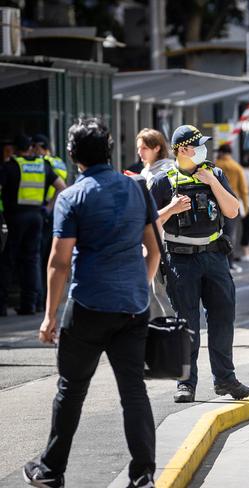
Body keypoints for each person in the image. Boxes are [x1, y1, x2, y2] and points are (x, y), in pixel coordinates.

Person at [23, 118, 160, 488]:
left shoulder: (71, 197)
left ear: (72, 155)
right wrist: (139, 285)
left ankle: (51, 471)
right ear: (110, 150)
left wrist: (49, 316)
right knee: (134, 391)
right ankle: (143, 474)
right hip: (132, 307)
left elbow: (59, 261)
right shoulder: (137, 188)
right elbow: (154, 249)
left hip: (87, 307)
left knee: (71, 391)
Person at [149, 125, 249, 403]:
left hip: (214, 255)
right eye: (198, 145)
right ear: (182, 150)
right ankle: (186, 383)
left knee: (222, 319)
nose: (204, 150)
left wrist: (213, 183)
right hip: (180, 258)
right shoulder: (163, 181)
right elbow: (146, 223)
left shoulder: (215, 173)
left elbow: (233, 210)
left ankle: (225, 379)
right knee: (187, 322)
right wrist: (171, 208)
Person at [0, 134, 65, 316]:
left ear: (14, 149)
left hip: (14, 217)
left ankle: (2, 305)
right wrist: (47, 208)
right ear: (29, 148)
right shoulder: (42, 165)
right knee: (32, 260)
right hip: (37, 216)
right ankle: (31, 304)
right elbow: (62, 186)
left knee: (7, 259)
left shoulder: (10, 166)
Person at [135, 128, 176, 318]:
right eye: (138, 148)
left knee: (161, 293)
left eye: (144, 148)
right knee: (152, 292)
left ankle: (172, 335)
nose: (140, 153)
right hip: (150, 237)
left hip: (163, 238)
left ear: (157, 147)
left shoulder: (165, 172)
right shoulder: (146, 171)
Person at [33, 134, 68, 311]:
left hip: (45, 212)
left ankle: (41, 299)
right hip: (56, 212)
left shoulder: (44, 163)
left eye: (36, 147)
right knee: (49, 257)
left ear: (42, 148)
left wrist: (47, 207)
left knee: (41, 257)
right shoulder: (59, 162)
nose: (33, 151)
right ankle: (46, 295)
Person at [215, 143, 249, 271]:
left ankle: (217, 262)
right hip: (232, 203)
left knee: (215, 234)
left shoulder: (215, 165)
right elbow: (243, 189)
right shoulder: (237, 167)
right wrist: (245, 206)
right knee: (230, 234)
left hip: (216, 203)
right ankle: (229, 263)